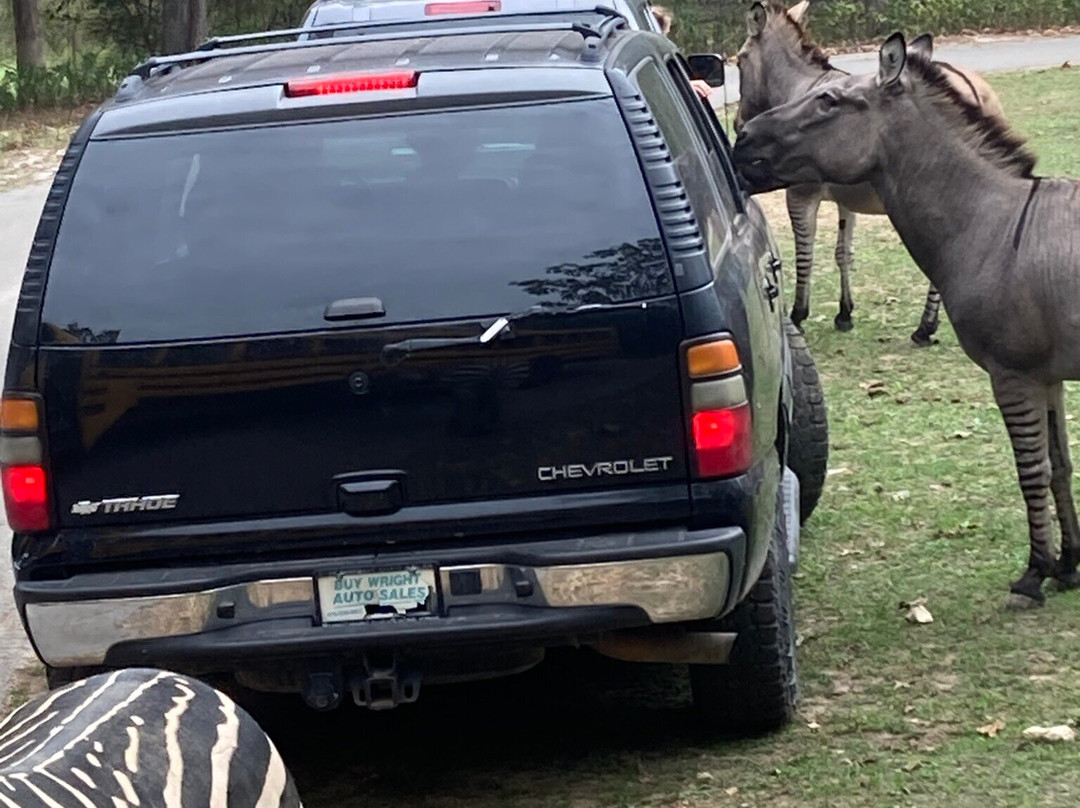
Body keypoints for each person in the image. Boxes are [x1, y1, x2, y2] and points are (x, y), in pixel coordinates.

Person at [650, 5, 715, 100]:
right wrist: (684, 88)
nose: (666, 39)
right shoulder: (652, 62)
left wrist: (685, 85)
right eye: (665, 34)